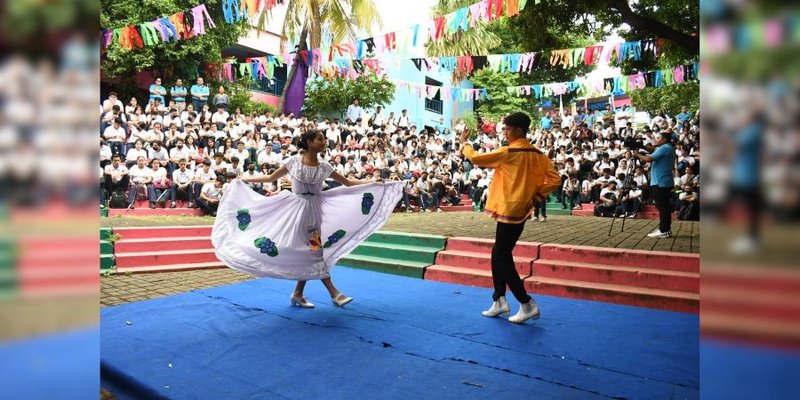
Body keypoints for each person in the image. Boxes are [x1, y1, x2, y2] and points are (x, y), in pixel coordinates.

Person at [212, 130, 404, 309]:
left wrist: (373, 182)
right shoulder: (294, 162)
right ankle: (334, 293)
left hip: (313, 211)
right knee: (314, 252)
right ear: (310, 142)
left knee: (311, 251)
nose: (324, 142)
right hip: (294, 210)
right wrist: (244, 180)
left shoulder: (325, 167)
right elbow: (271, 178)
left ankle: (298, 294)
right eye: (320, 139)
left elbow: (348, 183)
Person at [459, 112, 560, 324]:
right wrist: (537, 194)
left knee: (502, 256)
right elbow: (555, 179)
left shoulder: (509, 152)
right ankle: (499, 299)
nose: (504, 132)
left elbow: (477, 158)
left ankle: (526, 302)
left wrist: (464, 143)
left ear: (518, 130)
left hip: (509, 208)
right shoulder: (538, 154)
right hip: (522, 208)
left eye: (507, 128)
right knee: (498, 252)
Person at [631, 131, 676, 238]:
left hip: (661, 182)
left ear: (664, 140)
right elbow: (652, 150)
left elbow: (649, 158)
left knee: (662, 206)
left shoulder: (665, 148)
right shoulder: (667, 148)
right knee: (662, 206)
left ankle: (664, 230)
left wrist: (637, 154)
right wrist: (641, 146)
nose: (656, 140)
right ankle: (665, 229)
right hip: (663, 181)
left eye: (658, 138)